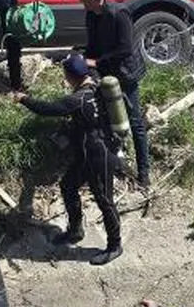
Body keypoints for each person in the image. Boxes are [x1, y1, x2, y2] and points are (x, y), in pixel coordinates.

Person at [11, 53, 122, 266]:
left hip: (99, 156)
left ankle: (115, 245)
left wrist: (24, 99)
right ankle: (75, 230)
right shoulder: (96, 88)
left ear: (72, 76)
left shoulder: (78, 100)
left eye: (66, 75)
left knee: (104, 201)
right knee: (68, 185)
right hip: (86, 154)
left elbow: (49, 109)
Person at [78, 0, 151, 189]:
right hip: (105, 72)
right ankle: (113, 162)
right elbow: (92, 46)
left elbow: (125, 48)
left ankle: (144, 172)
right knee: (106, 119)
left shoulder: (119, 13)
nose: (81, 4)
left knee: (135, 121)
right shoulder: (91, 16)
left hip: (126, 72)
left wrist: (98, 61)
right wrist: (84, 61)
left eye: (83, 0)